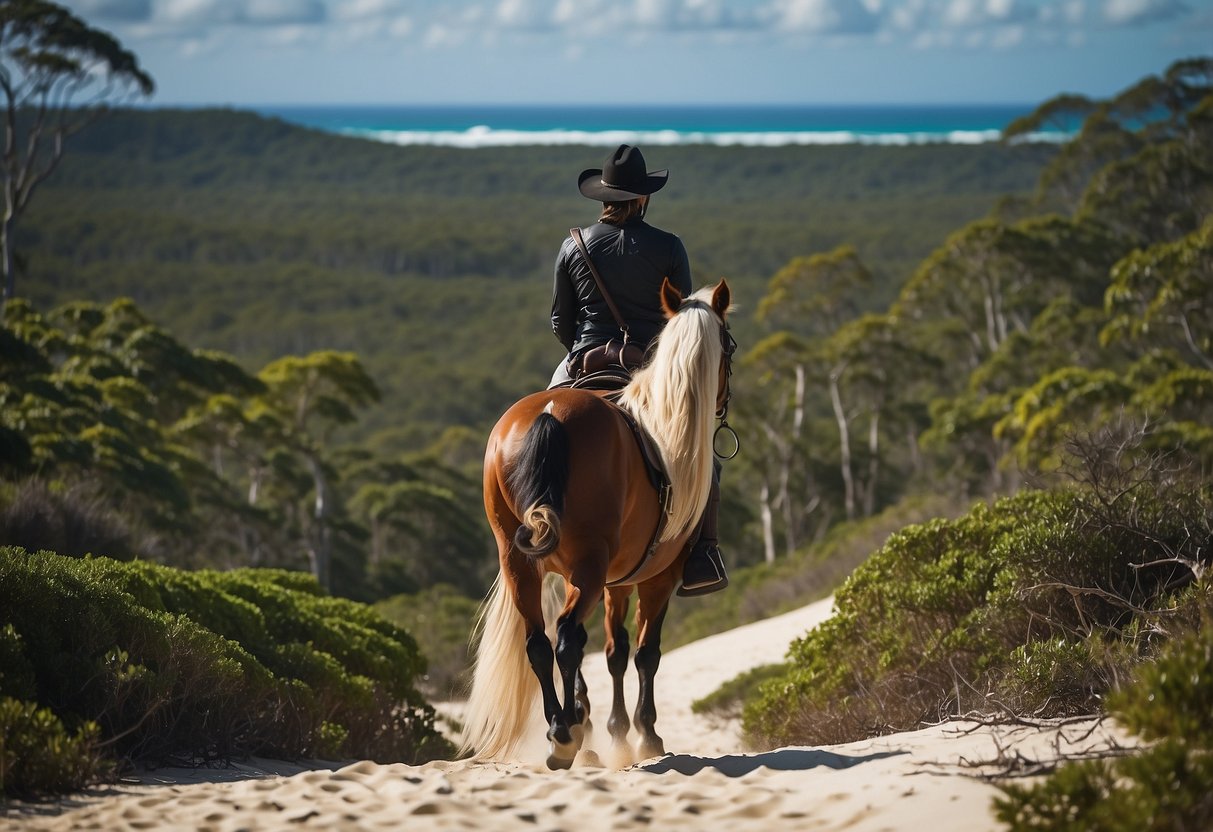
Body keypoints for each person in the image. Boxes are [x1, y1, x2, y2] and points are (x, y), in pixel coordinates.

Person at [547, 144, 728, 596]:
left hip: (581, 362)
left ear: (603, 197)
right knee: (701, 451)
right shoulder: (669, 246)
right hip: (648, 369)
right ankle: (704, 553)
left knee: (541, 426)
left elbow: (559, 322)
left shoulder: (575, 245)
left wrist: (587, 352)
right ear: (643, 197)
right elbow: (683, 323)